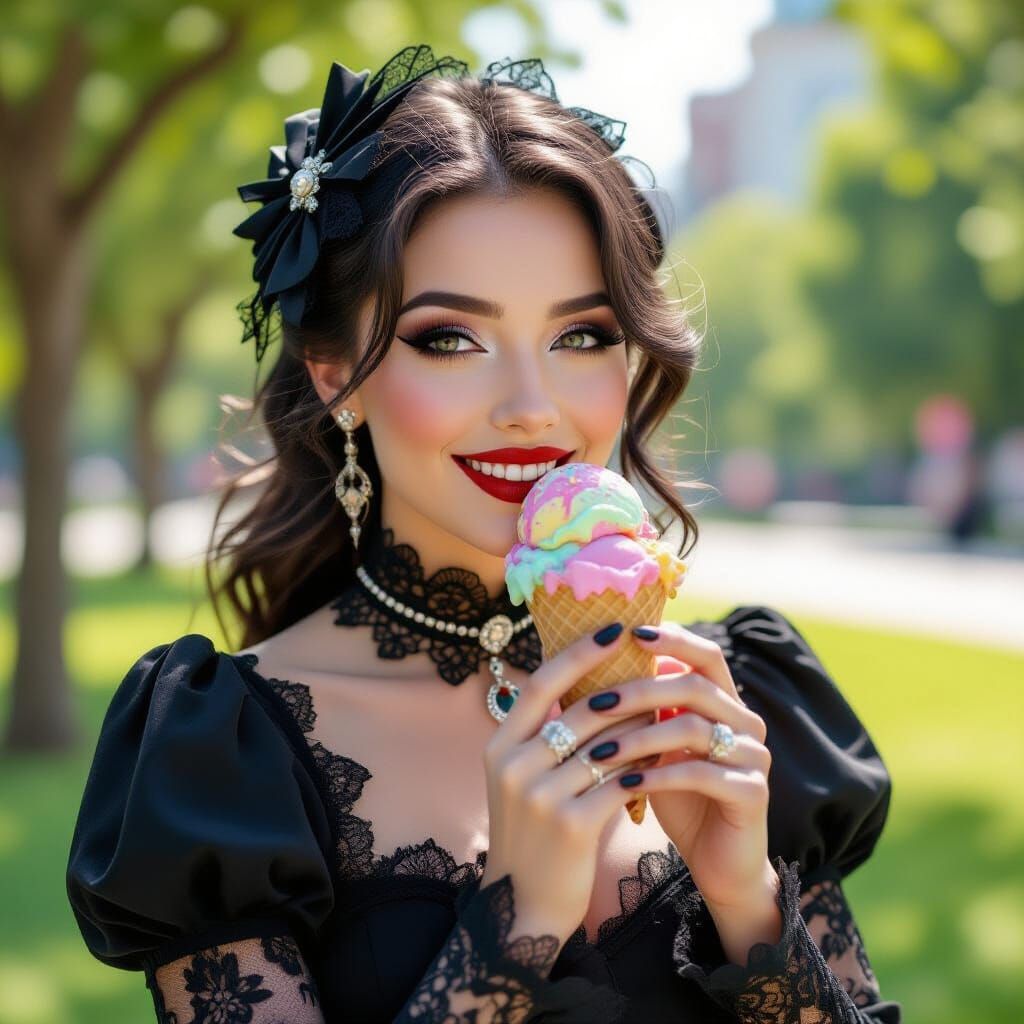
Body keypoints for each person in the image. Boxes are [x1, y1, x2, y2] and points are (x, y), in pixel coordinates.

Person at [65, 45, 902, 1024]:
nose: (530, 405)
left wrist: (748, 902)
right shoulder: (223, 757)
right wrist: (512, 927)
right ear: (335, 372)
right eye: (449, 339)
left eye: (580, 334)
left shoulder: (736, 707)